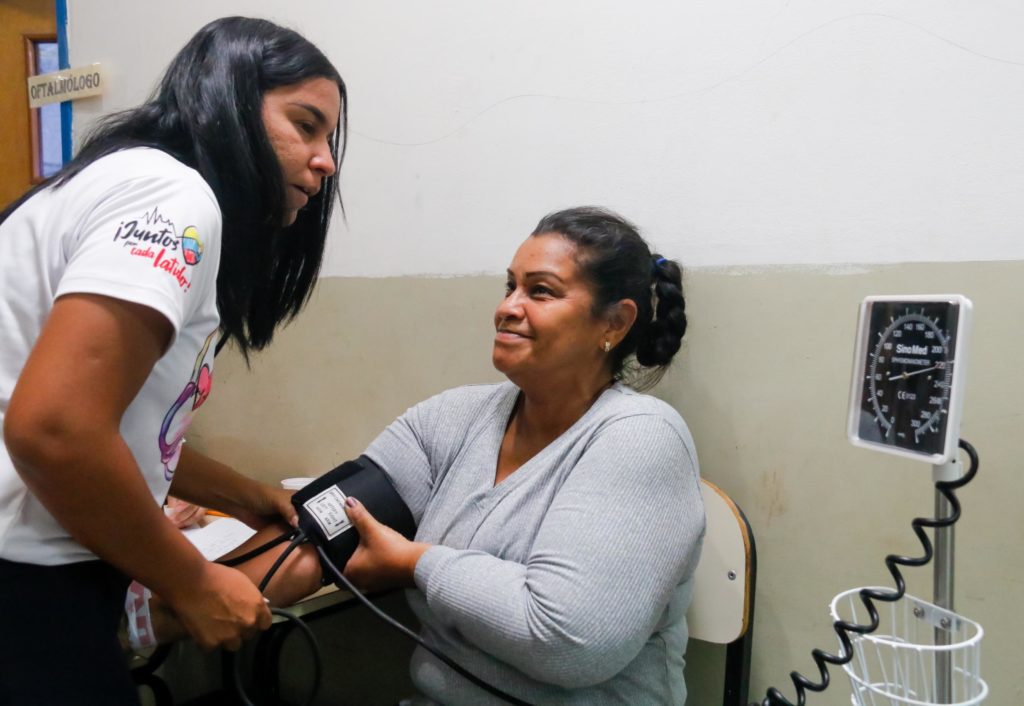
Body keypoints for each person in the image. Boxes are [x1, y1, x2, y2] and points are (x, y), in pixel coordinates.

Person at [136, 206, 703, 704]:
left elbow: (567, 641)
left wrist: (415, 564)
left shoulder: (640, 440)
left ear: (614, 323)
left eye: (541, 291)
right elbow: (316, 536)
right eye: (509, 286)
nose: (508, 307)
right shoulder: (452, 420)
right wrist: (153, 617)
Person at [0, 16, 345, 706]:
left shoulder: (117, 178)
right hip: (26, 588)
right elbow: (57, 430)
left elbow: (119, 429)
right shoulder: (172, 197)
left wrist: (252, 497)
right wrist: (192, 581)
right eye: (305, 126)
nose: (325, 161)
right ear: (231, 103)